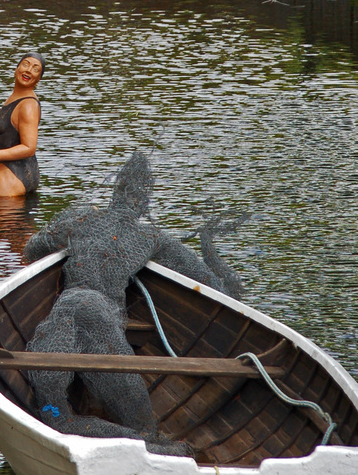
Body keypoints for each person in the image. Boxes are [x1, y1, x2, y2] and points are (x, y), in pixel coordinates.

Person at [23, 152, 246, 450]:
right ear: (144, 201)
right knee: (145, 433)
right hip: (100, 317)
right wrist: (211, 250)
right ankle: (157, 450)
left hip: (65, 309)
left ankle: (78, 430)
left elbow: (33, 249)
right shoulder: (151, 237)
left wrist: (65, 230)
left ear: (116, 190)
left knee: (55, 416)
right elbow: (212, 285)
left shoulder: (81, 217)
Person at [0, 54, 44, 198]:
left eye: (35, 69)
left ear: (38, 79)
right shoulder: (15, 98)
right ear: (16, 69)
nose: (28, 70)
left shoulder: (28, 105)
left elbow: (29, 147)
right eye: (25, 64)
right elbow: (12, 139)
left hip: (11, 177)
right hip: (17, 173)